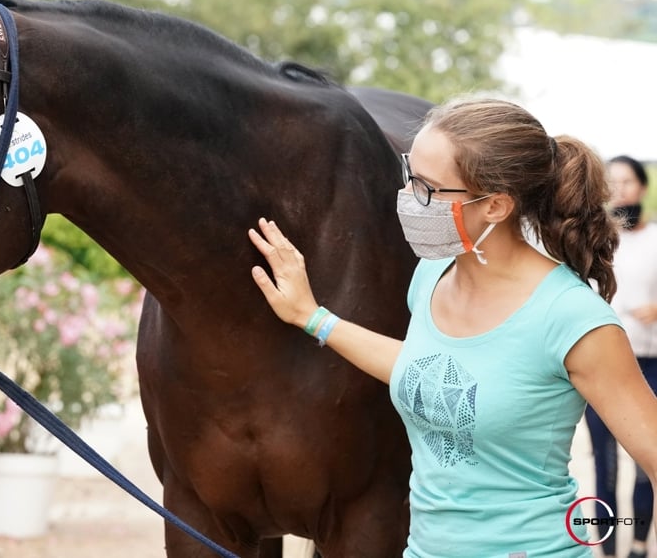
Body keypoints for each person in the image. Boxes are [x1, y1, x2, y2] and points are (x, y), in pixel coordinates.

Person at [248, 97, 657, 557]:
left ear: (496, 206)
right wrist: (313, 317)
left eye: (428, 189)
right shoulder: (431, 275)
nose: (408, 199)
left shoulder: (574, 320)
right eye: (409, 176)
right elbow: (430, 371)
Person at [585, 154, 657, 558]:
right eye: (611, 183)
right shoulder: (593, 241)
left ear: (643, 188)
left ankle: (642, 544)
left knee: (647, 463)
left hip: (650, 363)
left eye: (627, 182)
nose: (619, 190)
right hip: (602, 369)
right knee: (604, 464)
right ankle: (607, 547)